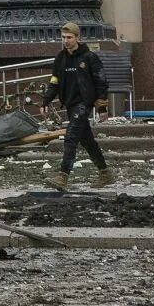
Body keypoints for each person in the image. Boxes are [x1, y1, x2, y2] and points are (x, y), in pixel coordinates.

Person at [41, 22, 115, 191]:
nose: (66, 41)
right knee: (87, 140)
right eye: (63, 38)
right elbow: (54, 82)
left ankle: (63, 176)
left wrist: (102, 107)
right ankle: (105, 173)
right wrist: (46, 101)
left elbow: (101, 81)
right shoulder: (60, 58)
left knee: (71, 137)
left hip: (83, 104)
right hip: (70, 103)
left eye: (69, 37)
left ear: (77, 38)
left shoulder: (89, 57)